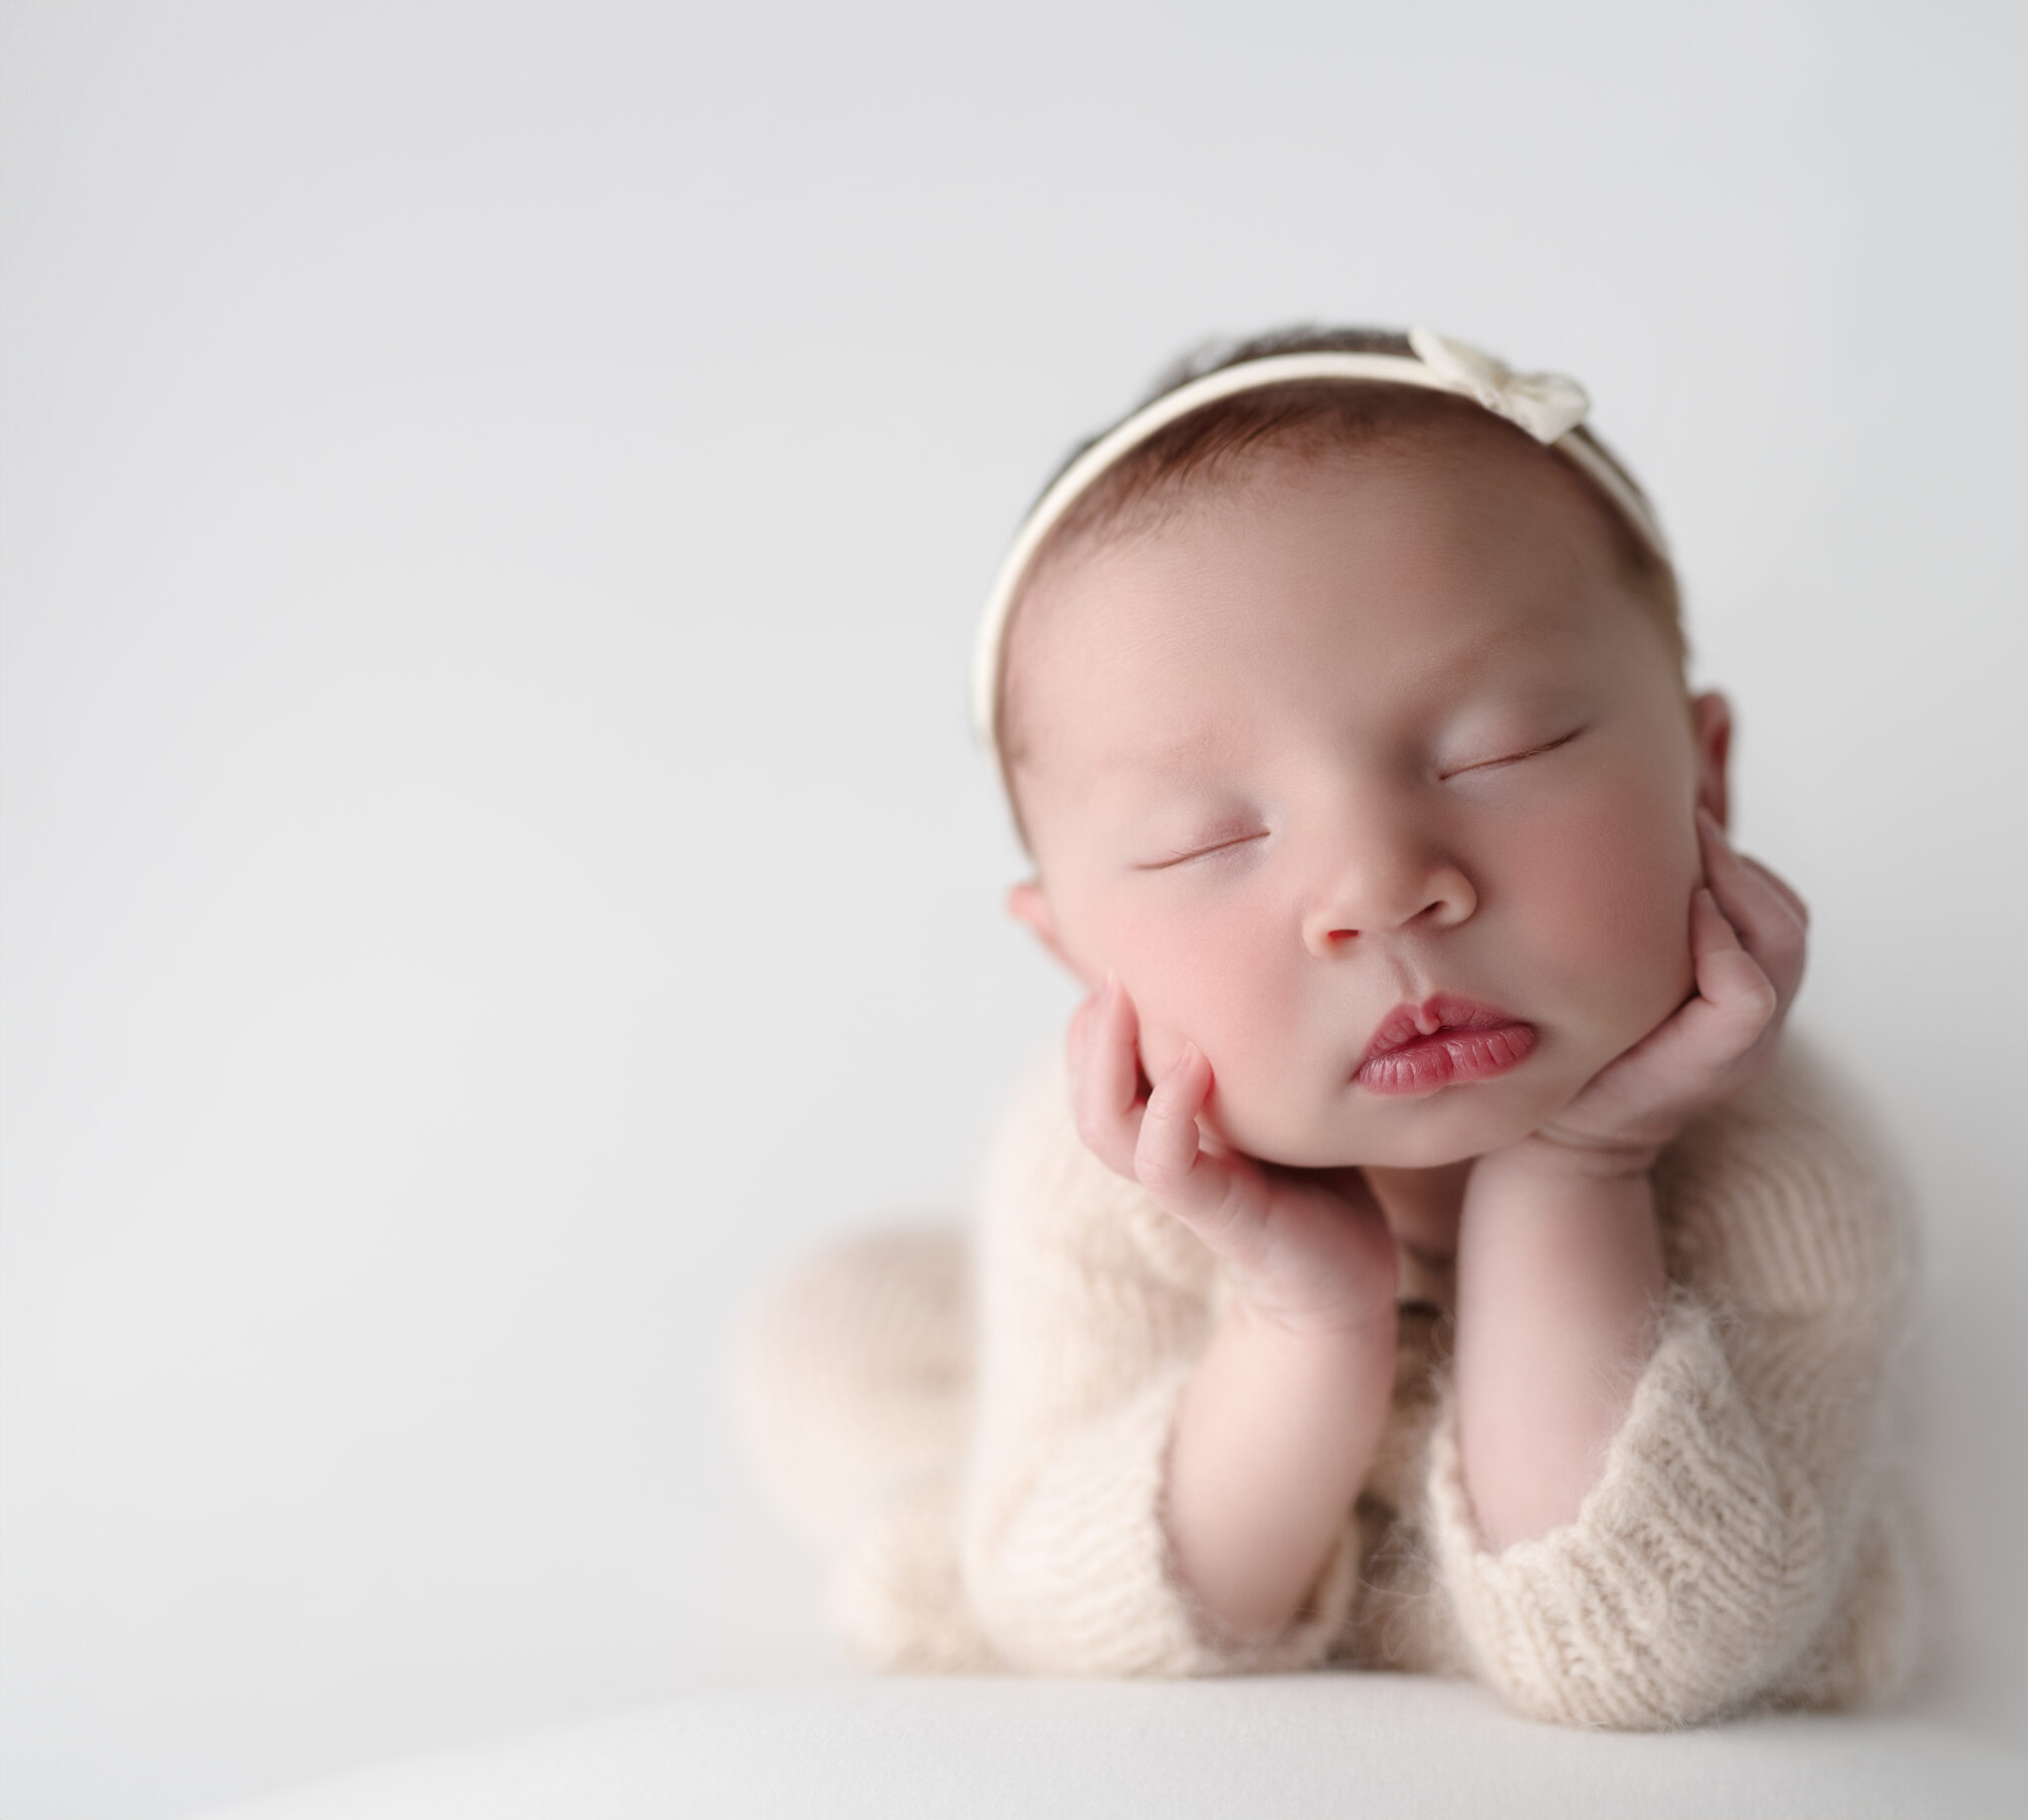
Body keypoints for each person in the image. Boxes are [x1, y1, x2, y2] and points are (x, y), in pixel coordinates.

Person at [739, 325, 1926, 1728]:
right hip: (1196, 1396)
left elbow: (1656, 1651)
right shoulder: (1100, 1174)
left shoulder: (1782, 1167)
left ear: (1704, 780)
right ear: (1076, 952)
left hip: (1648, 1506)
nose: (1378, 889)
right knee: (831, 1334)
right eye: (1205, 839)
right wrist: (1307, 1308)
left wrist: (1582, 1163)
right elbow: (1080, 1626)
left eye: (1501, 751)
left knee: (1786, 1585)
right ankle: (1017, 1461)